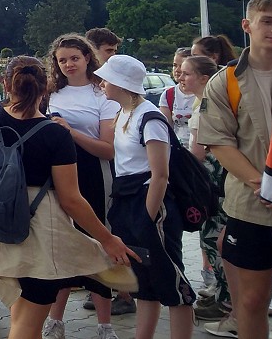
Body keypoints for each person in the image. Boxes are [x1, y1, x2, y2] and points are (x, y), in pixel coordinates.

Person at [0, 56, 137, 339]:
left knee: (21, 316)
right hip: (38, 237)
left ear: (6, 85)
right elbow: (71, 200)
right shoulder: (55, 134)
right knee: (27, 324)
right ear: (45, 89)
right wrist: (107, 239)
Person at [197, 0, 272, 339]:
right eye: (268, 21)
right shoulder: (226, 80)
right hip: (250, 205)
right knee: (251, 300)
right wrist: (263, 185)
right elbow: (219, 142)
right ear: (247, 25)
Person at [97, 55, 196, 339]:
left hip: (151, 203)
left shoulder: (149, 118)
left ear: (121, 83)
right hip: (128, 200)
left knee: (172, 281)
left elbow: (160, 175)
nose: (102, 84)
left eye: (106, 79)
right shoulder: (125, 113)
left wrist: (146, 219)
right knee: (145, 282)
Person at [43, 33, 125, 337]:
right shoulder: (51, 93)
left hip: (93, 173)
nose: (68, 65)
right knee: (61, 246)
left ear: (88, 58)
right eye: (62, 60)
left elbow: (108, 149)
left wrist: (70, 131)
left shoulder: (101, 95)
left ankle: (105, 325)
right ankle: (55, 321)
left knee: (98, 242)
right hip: (55, 175)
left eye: (74, 58)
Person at [177, 55, 230, 322]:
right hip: (217, 183)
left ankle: (226, 300)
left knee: (213, 238)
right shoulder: (206, 103)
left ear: (204, 79)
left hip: (213, 185)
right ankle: (224, 294)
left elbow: (198, 153)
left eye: (186, 73)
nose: (180, 77)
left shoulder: (206, 107)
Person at [159, 48, 196, 144]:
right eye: (175, 65)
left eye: (182, 66)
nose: (177, 70)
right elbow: (166, 129)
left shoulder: (203, 92)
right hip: (179, 148)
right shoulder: (168, 94)